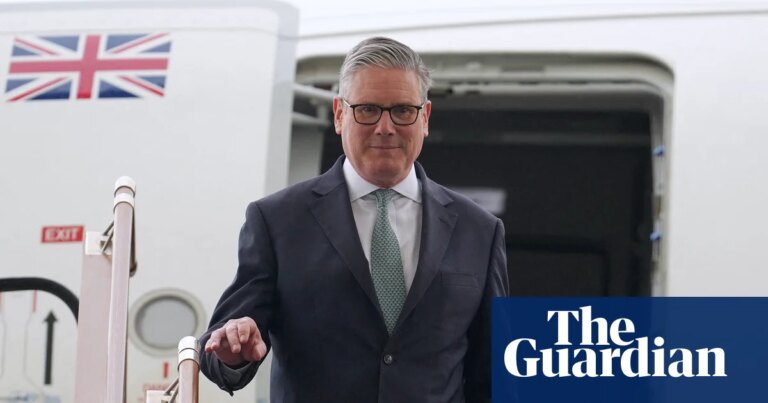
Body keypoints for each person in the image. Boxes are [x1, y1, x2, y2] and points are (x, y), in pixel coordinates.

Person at [199, 36, 509, 403]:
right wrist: (232, 348)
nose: (385, 127)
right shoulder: (278, 221)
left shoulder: (479, 231)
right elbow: (222, 344)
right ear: (339, 114)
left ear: (424, 117)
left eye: (402, 111)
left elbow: (493, 374)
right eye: (368, 110)